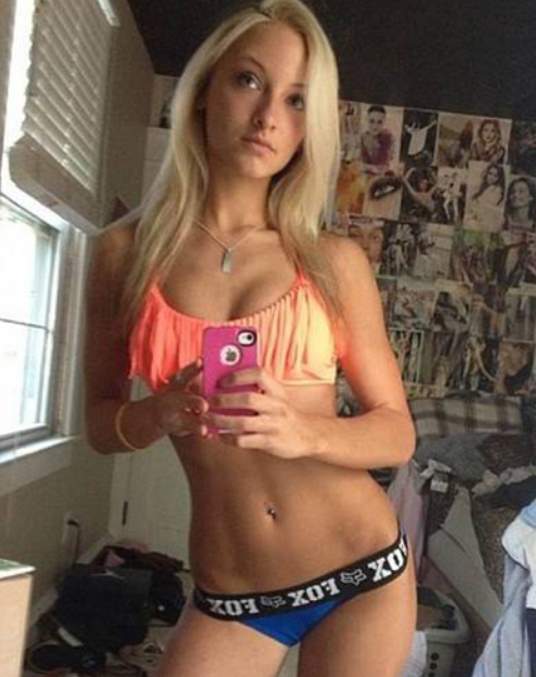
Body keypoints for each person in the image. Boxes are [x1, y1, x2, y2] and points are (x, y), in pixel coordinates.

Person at [84, 2, 416, 676]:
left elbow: (397, 433)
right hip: (234, 595)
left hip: (361, 572)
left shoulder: (333, 262)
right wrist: (155, 415)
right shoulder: (125, 255)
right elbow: (99, 423)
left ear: (308, 127)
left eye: (296, 100)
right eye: (249, 80)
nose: (268, 116)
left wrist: (304, 432)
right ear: (206, 89)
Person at [465, 162, 505, 231]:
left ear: (499, 178)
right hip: (477, 220)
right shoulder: (484, 187)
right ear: (487, 173)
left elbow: (484, 209)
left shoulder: (496, 190)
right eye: (490, 173)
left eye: (495, 176)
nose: (491, 177)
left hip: (484, 223)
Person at [360, 105, 395, 175]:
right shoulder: (363, 137)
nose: (375, 126)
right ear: (367, 120)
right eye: (371, 121)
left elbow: (384, 167)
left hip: (381, 178)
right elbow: (358, 164)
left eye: (379, 122)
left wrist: (366, 167)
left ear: (384, 122)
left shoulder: (388, 137)